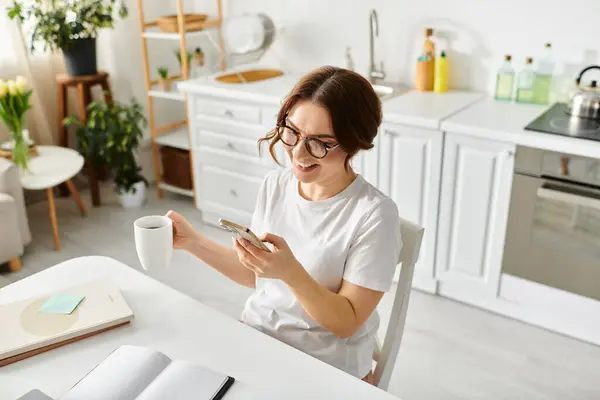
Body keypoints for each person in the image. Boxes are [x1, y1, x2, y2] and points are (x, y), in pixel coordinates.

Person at [167, 66, 402, 383]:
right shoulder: (275, 185)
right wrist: (191, 241)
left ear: (354, 142)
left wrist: (290, 272)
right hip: (258, 340)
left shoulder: (374, 215)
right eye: (292, 132)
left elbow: (347, 322)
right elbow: (256, 275)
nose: (298, 152)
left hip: (325, 368)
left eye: (320, 143)